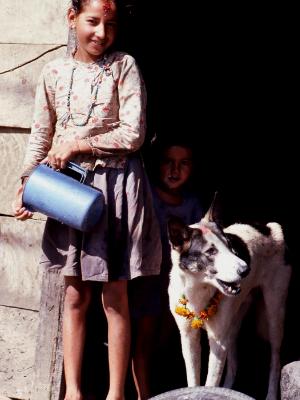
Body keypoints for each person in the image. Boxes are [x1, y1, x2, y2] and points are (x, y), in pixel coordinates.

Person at [12, 1, 161, 399]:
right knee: (75, 292)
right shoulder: (54, 72)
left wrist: (79, 144)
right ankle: (73, 392)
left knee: (115, 293)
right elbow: (41, 136)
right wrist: (28, 183)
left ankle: (115, 393)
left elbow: (133, 134)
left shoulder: (123, 66)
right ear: (71, 17)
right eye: (92, 22)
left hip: (114, 190)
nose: (101, 33)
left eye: (110, 25)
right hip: (67, 192)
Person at [130, 138, 203, 399]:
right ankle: (144, 395)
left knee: (170, 339)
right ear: (156, 164)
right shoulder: (144, 192)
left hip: (180, 287)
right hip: (149, 283)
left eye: (183, 163)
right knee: (144, 342)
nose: (175, 170)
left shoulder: (193, 205)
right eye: (168, 162)